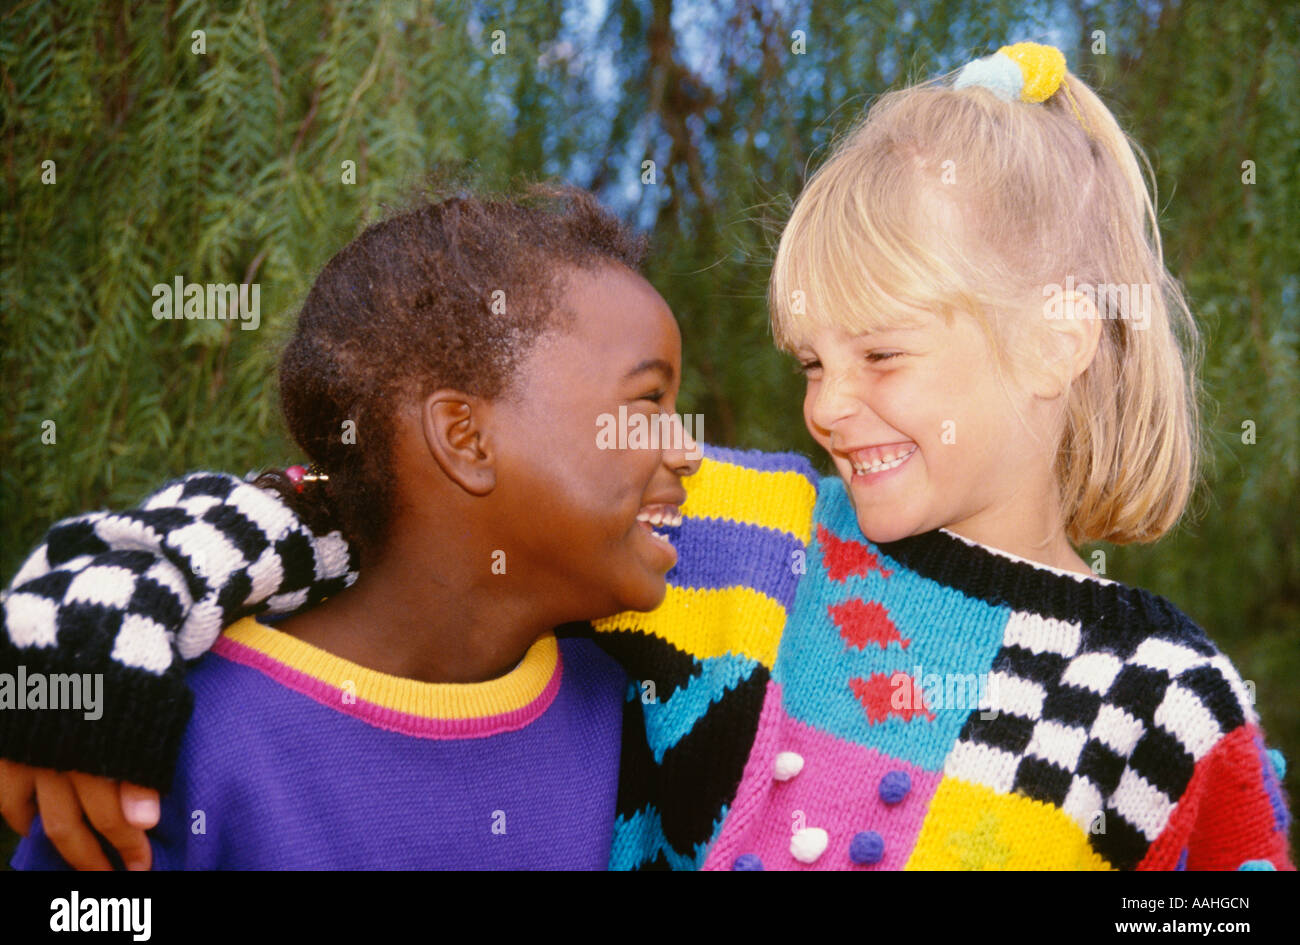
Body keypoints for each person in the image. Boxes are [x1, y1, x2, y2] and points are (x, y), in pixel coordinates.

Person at [3, 44, 1292, 870]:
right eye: (808, 362)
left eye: (881, 358)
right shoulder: (740, 538)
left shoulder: (1169, 700)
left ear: (1060, 344)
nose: (829, 408)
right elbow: (353, 509)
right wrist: (76, 666)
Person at [5, 184, 703, 868]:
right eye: (647, 400)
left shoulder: (645, 708)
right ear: (466, 438)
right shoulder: (178, 735)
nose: (690, 450)